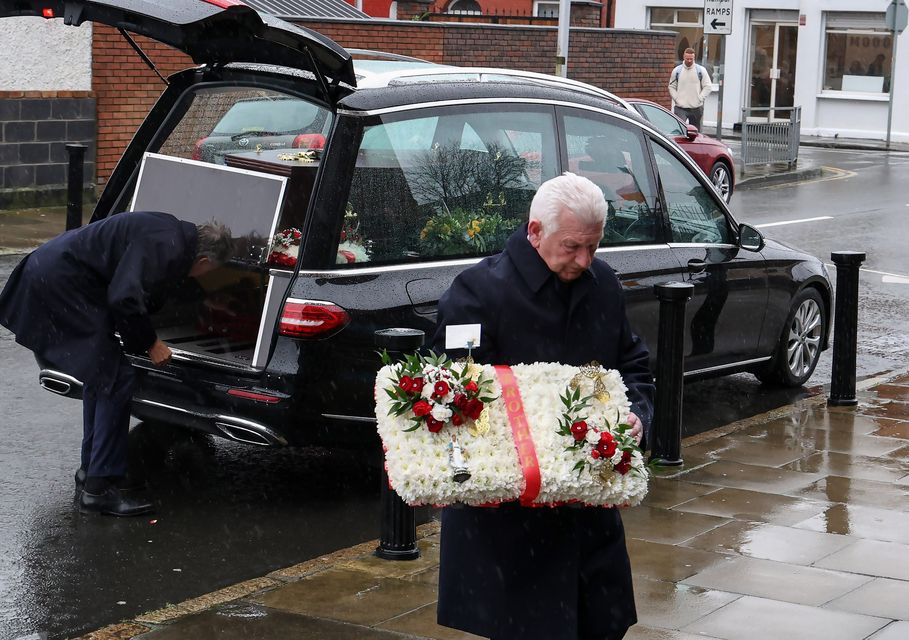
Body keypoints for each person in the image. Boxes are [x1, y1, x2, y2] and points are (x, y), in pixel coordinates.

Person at [431, 172, 655, 640]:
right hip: (511, 525)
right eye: (573, 246)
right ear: (535, 232)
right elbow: (455, 397)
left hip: (589, 515)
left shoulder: (604, 284)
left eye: (594, 246)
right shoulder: (476, 292)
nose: (584, 259)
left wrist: (637, 415)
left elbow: (633, 366)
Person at [0, 212, 233, 516]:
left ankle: (92, 474)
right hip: (60, 284)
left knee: (102, 377)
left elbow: (151, 280)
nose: (204, 275)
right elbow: (124, 297)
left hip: (53, 273)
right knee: (115, 378)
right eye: (210, 271)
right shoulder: (168, 247)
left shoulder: (171, 233)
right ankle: (99, 491)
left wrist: (203, 303)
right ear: (203, 261)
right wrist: (151, 344)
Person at [669, 47, 712, 130]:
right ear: (683, 57)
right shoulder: (677, 71)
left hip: (696, 108)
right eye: (687, 58)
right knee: (680, 130)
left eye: (691, 59)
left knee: (695, 132)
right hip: (680, 107)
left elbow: (708, 86)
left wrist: (700, 98)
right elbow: (671, 87)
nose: (689, 61)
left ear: (694, 58)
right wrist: (676, 98)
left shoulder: (700, 71)